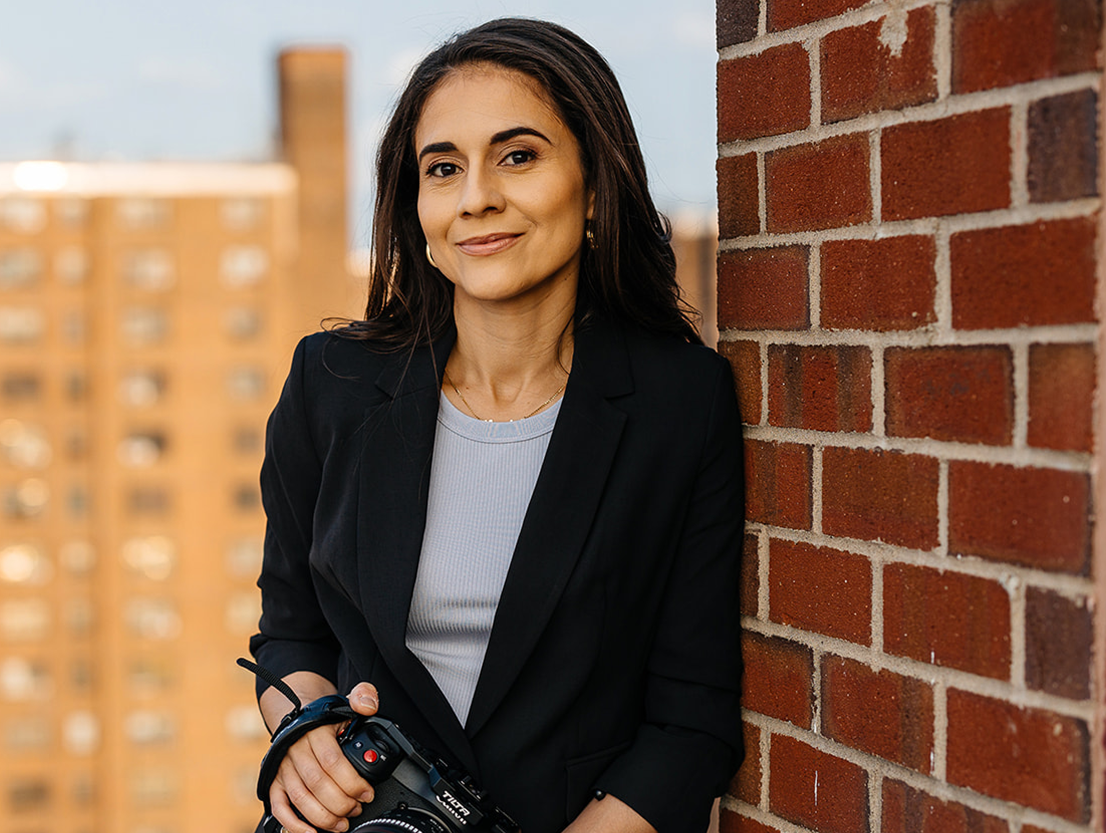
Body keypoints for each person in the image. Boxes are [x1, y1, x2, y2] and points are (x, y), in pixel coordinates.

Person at [249, 16, 744, 833]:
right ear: (420, 210)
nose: (476, 195)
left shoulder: (679, 406)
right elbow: (290, 633)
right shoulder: (330, 384)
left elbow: (690, 723)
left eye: (518, 155)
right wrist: (304, 732)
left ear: (593, 182)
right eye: (444, 167)